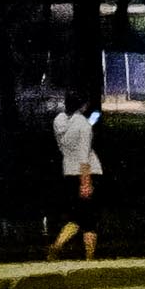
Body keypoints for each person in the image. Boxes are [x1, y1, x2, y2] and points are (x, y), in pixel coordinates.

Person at [46, 97, 103, 260]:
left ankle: (57, 245)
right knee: (90, 219)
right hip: (87, 172)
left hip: (68, 171)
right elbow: (84, 155)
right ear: (84, 105)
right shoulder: (84, 126)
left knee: (76, 216)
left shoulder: (59, 122)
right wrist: (86, 182)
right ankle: (90, 257)